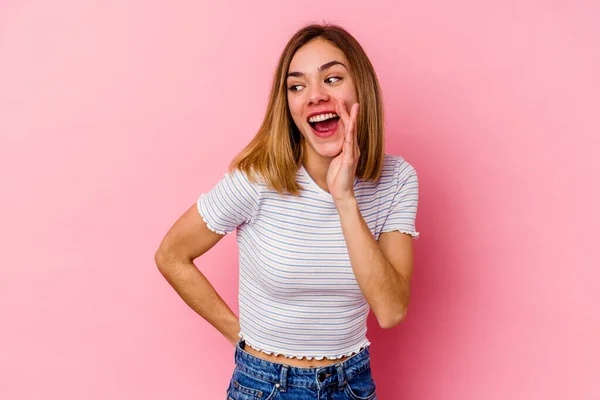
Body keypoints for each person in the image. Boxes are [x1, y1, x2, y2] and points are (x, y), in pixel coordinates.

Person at [155, 23, 419, 400]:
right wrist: (242, 336)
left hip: (352, 385)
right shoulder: (257, 179)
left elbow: (391, 311)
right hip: (265, 385)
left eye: (332, 78)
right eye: (297, 86)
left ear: (361, 88)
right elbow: (171, 255)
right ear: (289, 107)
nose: (314, 96)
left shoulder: (397, 179)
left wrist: (344, 198)